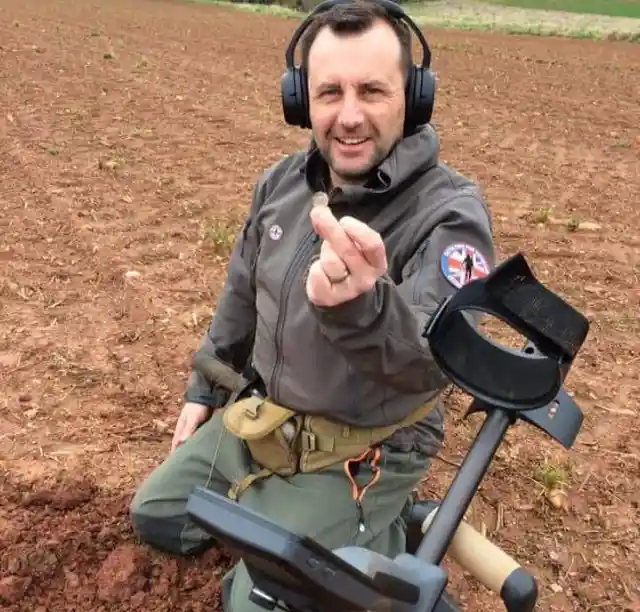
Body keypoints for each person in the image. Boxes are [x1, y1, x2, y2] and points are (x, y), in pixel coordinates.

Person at [129, 0, 495, 610]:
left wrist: (361, 306)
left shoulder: (450, 214)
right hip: (269, 421)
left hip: (360, 450)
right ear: (301, 101)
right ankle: (287, 517)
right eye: (329, 93)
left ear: (414, 97)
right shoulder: (282, 184)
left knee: (256, 602)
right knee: (158, 514)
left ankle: (377, 523)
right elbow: (241, 295)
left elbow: (437, 359)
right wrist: (206, 388)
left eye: (372, 91)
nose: (348, 116)